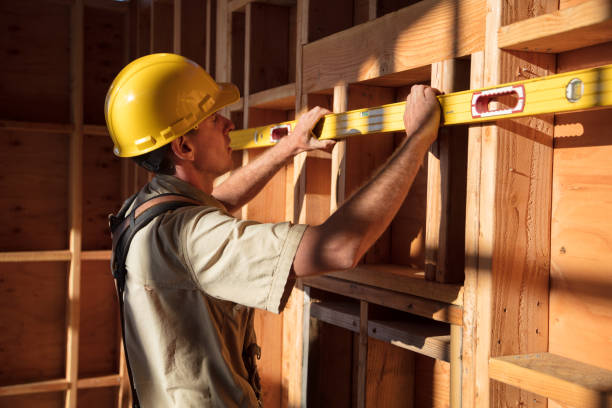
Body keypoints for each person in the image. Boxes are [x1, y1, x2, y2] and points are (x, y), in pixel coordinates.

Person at [105, 53, 440, 407]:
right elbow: (340, 247)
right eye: (213, 118)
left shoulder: (142, 210)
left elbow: (219, 200)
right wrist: (418, 138)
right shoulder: (194, 237)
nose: (228, 124)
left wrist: (289, 146)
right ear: (184, 147)